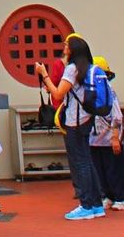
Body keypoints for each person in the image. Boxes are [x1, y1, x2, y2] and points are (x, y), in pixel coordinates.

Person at [37, 35, 107, 220]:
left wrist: (44, 75)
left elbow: (58, 92)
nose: (64, 46)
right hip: (87, 119)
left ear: (74, 49)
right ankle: (96, 205)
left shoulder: (72, 69)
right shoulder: (88, 67)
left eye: (67, 45)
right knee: (87, 161)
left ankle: (86, 205)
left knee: (80, 163)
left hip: (74, 121)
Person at [88, 56, 124, 210]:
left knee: (113, 170)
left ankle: (120, 197)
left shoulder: (109, 92)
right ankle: (107, 196)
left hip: (109, 138)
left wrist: (115, 138)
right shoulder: (88, 91)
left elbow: (117, 116)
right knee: (99, 170)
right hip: (94, 139)